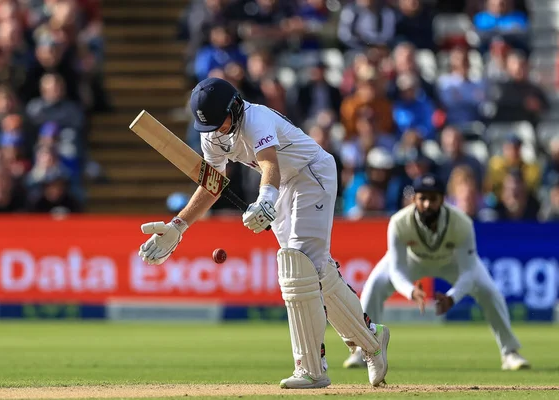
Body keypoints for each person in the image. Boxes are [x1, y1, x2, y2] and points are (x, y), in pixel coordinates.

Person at [137, 77, 390, 389]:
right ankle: (372, 341)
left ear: (235, 106)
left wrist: (264, 201)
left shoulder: (256, 119)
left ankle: (311, 368)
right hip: (283, 187)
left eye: (221, 122)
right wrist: (179, 226)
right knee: (315, 272)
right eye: (211, 127)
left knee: (296, 266)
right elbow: (212, 185)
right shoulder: (214, 135)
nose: (217, 131)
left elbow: (270, 164)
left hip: (311, 174)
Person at [343, 174, 530, 371]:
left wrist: (452, 297)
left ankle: (510, 353)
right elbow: (396, 270)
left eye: (433, 199)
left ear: (442, 199)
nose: (427, 204)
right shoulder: (399, 222)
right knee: (374, 285)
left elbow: (469, 272)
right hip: (411, 260)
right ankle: (363, 352)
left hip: (452, 263)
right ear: (414, 199)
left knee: (489, 292)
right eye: (422, 198)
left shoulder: (461, 222)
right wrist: (410, 291)